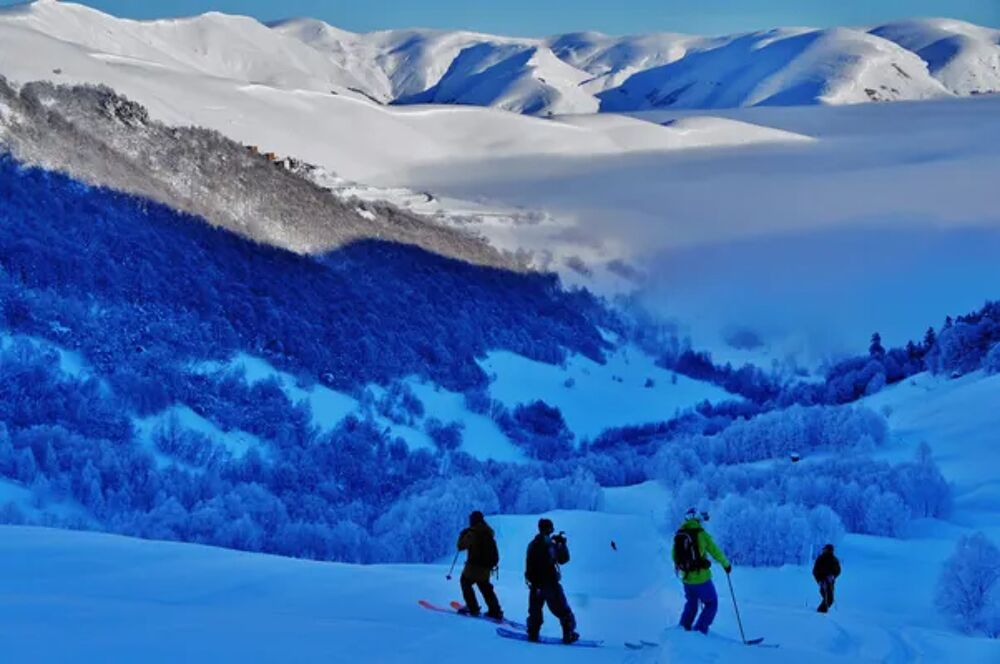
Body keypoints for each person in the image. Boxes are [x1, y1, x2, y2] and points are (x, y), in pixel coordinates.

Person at [672, 508, 731, 635]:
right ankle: (699, 631)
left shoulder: (679, 535)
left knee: (691, 603)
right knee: (711, 603)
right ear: (697, 519)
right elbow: (715, 551)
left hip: (686, 579)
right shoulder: (701, 534)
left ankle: (683, 629)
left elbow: (674, 556)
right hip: (702, 579)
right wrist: (726, 565)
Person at [525, 518, 579, 644]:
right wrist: (562, 544)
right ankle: (568, 634)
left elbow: (528, 564)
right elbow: (563, 559)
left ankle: (533, 633)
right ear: (550, 529)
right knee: (563, 610)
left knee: (535, 611)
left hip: (535, 584)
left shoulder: (532, 544)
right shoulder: (550, 545)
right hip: (550, 584)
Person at [456, 510, 503, 620]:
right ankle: (495, 610)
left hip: (473, 566)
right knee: (485, 587)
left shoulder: (472, 533)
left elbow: (460, 546)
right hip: (486, 567)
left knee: (465, 582)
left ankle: (473, 608)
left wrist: (462, 534)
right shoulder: (488, 532)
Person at [813, 544, 841, 613]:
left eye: (826, 549)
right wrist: (819, 581)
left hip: (830, 582)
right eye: (824, 549)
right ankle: (819, 613)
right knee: (826, 598)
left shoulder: (835, 560)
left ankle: (821, 612)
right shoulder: (820, 558)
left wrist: (833, 576)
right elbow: (815, 571)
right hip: (823, 581)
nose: (824, 550)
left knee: (830, 599)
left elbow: (838, 570)